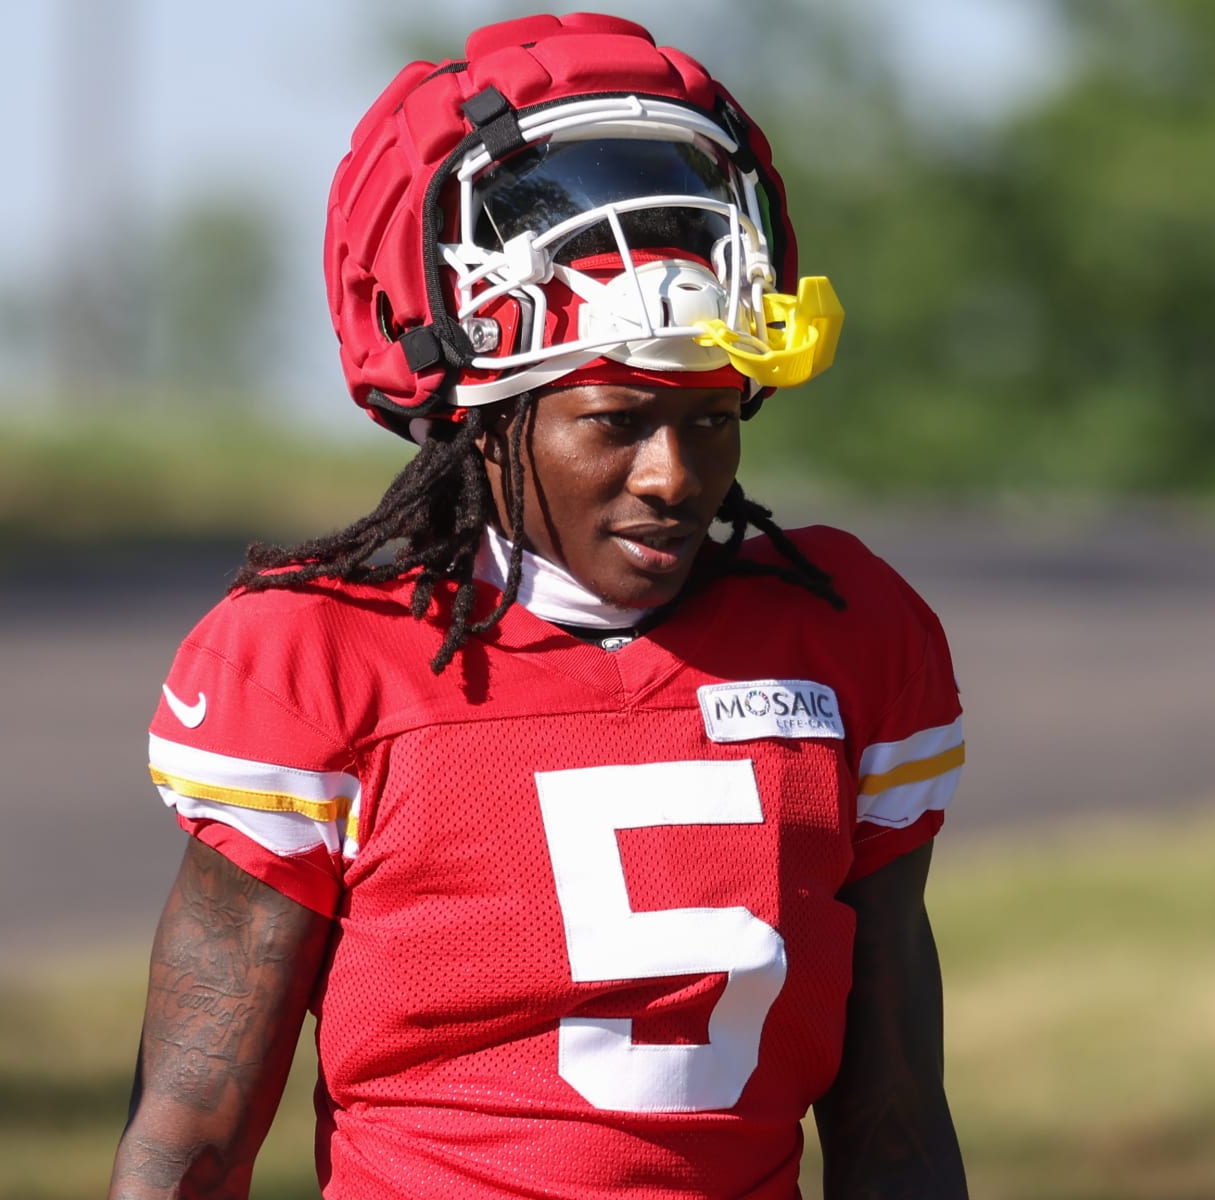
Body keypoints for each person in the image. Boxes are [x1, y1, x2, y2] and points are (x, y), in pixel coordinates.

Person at [109, 12, 968, 1198]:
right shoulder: (322, 659)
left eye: (711, 418)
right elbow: (191, 1128)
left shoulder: (844, 634)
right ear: (486, 419)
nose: (673, 475)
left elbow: (897, 1123)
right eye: (616, 422)